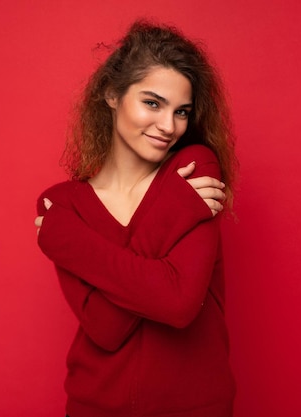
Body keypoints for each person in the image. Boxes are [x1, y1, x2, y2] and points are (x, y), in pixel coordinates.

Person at [35, 20, 238, 417]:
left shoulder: (194, 170)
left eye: (182, 111)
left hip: (196, 408)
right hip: (95, 406)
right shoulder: (63, 206)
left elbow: (178, 305)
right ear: (112, 94)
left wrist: (71, 244)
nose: (169, 127)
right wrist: (174, 212)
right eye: (152, 103)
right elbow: (106, 328)